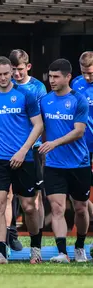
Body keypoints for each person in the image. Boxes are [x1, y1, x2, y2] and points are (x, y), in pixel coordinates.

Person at [0, 56, 43, 265]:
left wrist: (24, 151)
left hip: (24, 158)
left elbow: (38, 125)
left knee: (29, 206)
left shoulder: (26, 95)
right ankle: (0, 253)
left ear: (12, 73)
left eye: (7, 74)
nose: (4, 77)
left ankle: (35, 249)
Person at [39, 59, 90, 263]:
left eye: (56, 77)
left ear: (68, 77)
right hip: (53, 164)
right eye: (50, 76)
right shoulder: (44, 100)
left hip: (79, 163)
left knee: (81, 208)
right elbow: (40, 128)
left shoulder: (79, 100)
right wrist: (42, 148)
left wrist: (54, 143)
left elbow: (79, 131)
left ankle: (79, 247)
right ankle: (62, 252)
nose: (52, 80)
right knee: (57, 208)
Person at [9, 49, 47, 251]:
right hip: (8, 149)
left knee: (34, 199)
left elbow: (43, 120)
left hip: (34, 149)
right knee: (6, 196)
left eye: (20, 69)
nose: (16, 74)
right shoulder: (8, 86)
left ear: (28, 67)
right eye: (13, 69)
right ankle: (10, 236)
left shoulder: (38, 88)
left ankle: (37, 241)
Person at [71, 51, 93, 237]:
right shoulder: (76, 83)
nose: (87, 76)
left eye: (91, 73)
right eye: (84, 72)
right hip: (80, 146)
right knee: (79, 194)